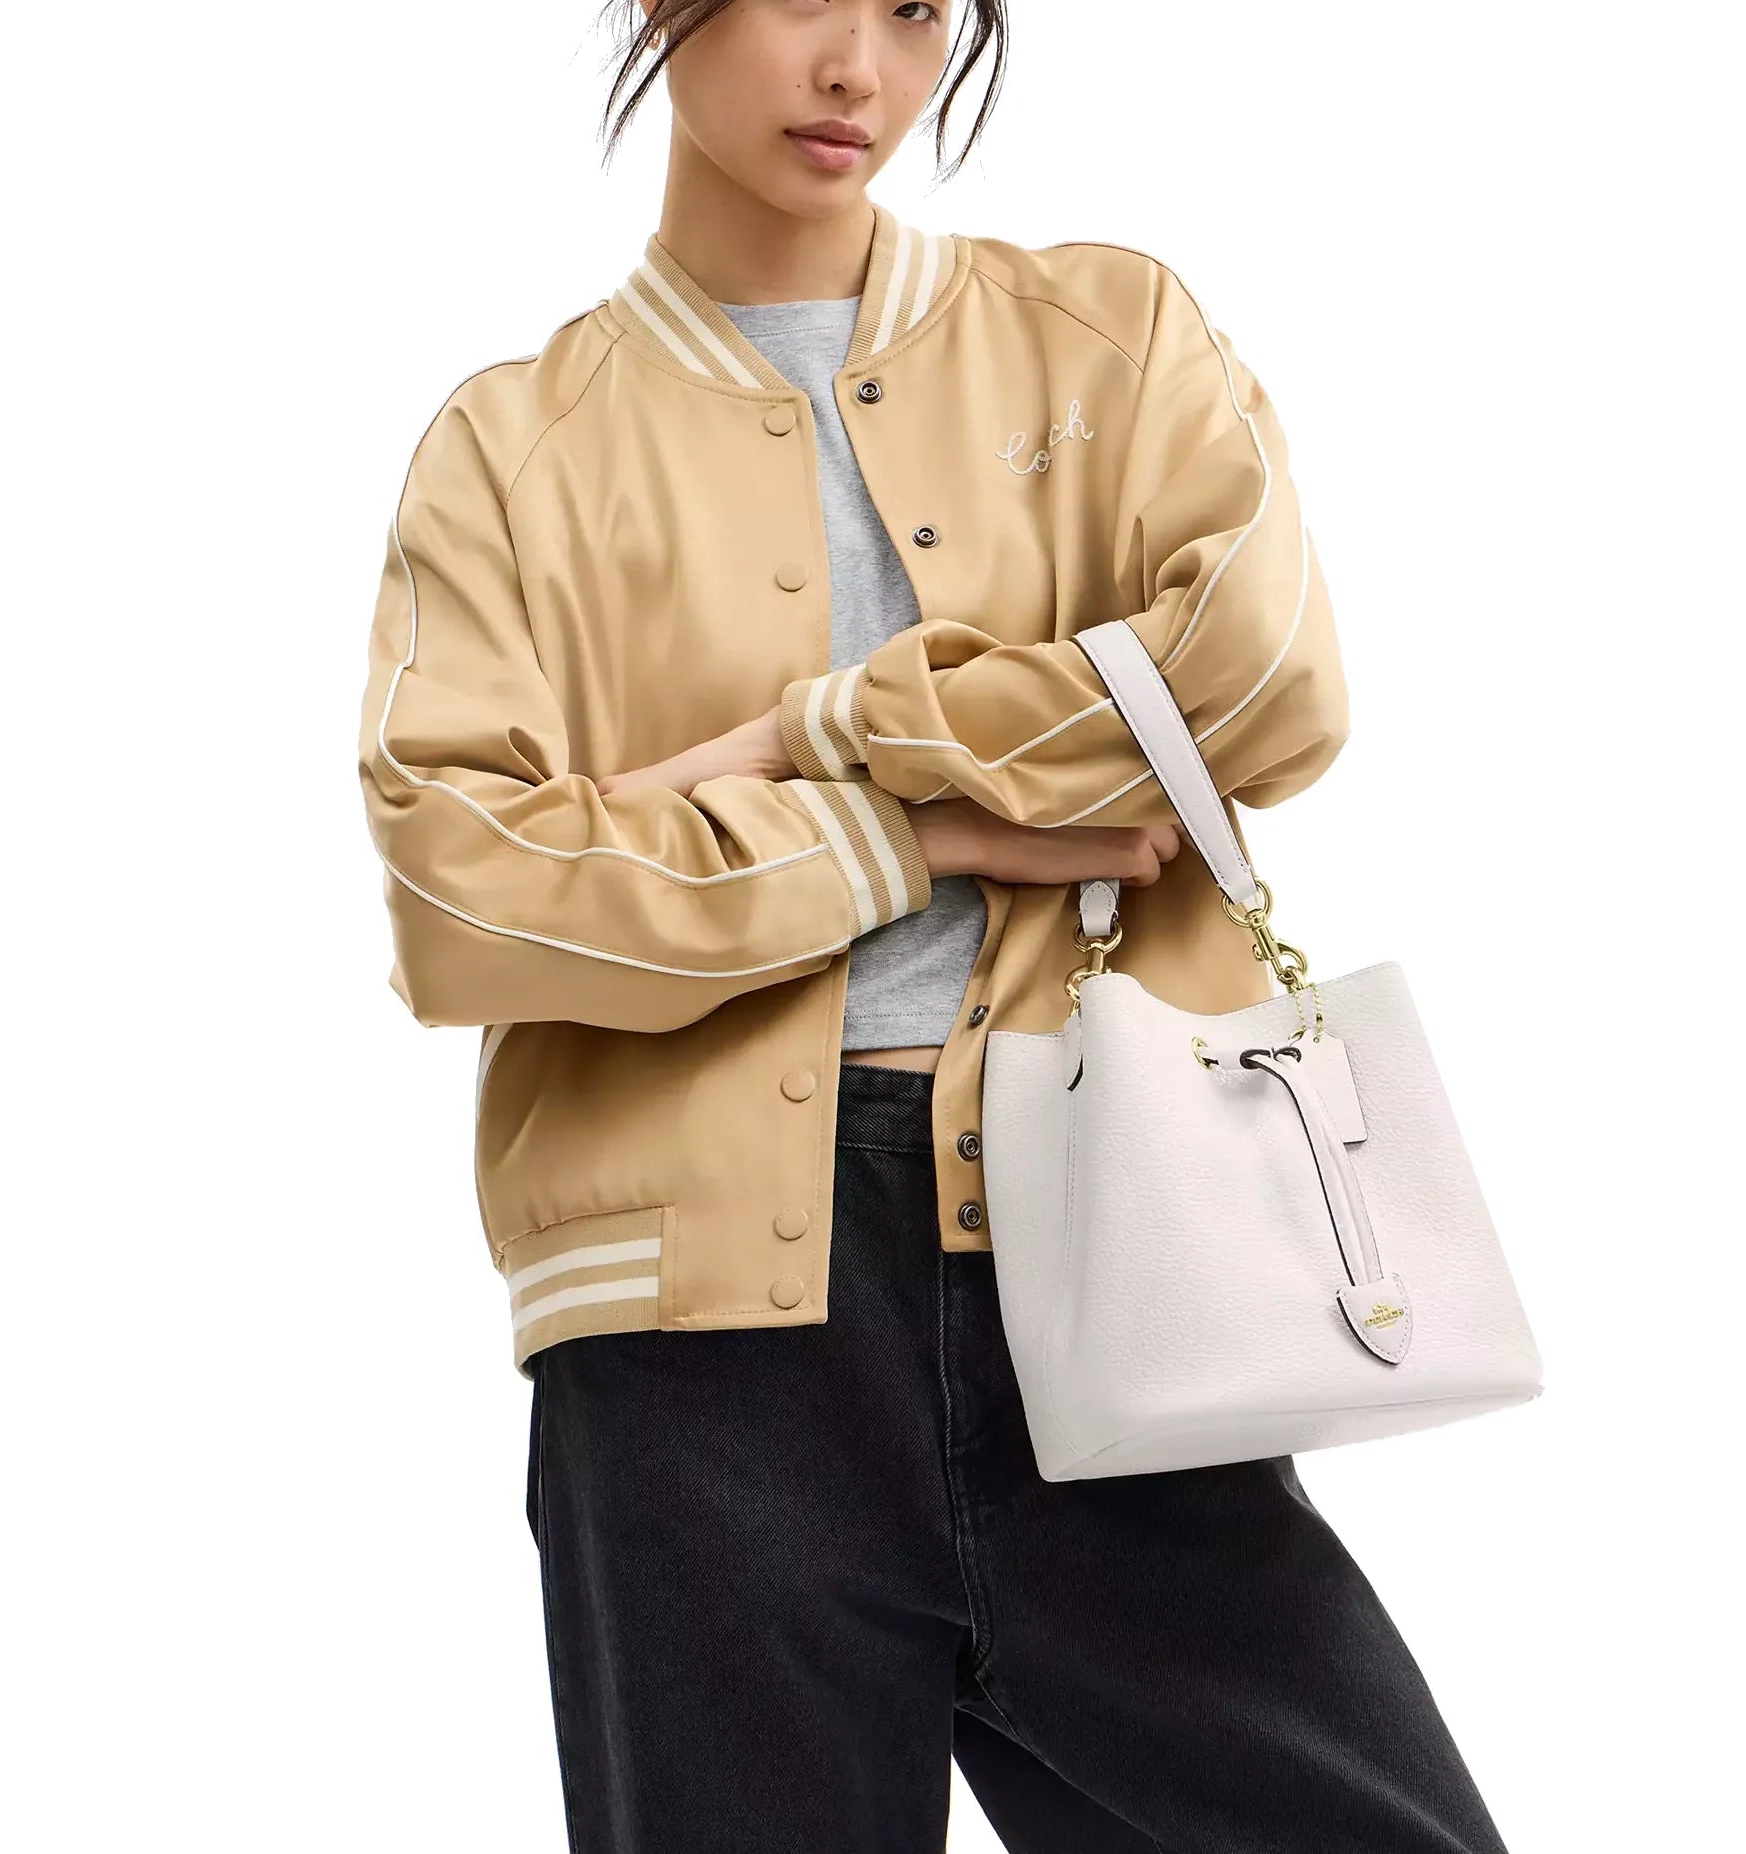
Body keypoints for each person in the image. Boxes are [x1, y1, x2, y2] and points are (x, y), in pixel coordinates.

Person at [356, 2, 1513, 1847]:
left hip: (1116, 1251)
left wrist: (820, 728)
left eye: (916, 12)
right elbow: (462, 891)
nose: (862, 70)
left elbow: (1260, 682)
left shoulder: (1106, 335)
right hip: (695, 1349)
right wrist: (908, 840)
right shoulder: (516, 447)